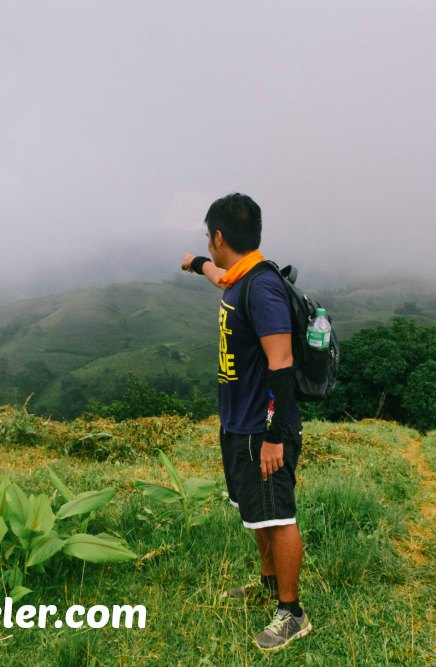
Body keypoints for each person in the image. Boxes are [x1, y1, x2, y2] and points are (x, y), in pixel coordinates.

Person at [180, 193, 311, 652]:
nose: (208, 247)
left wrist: (275, 435)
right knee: (256, 513)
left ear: (220, 236)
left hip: (264, 428)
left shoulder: (262, 287)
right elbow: (219, 276)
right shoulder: (239, 279)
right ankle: (269, 584)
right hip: (238, 424)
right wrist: (198, 264)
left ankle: (292, 614)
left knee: (278, 514)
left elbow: (282, 362)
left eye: (207, 242)